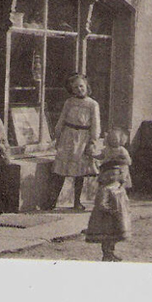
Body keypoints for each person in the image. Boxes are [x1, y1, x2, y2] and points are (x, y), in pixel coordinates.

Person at [46, 73, 101, 211]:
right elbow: (62, 119)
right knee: (60, 170)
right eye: (75, 88)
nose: (79, 89)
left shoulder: (92, 104)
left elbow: (96, 124)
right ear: (72, 90)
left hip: (82, 138)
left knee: (79, 172)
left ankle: (77, 201)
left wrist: (93, 141)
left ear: (86, 86)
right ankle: (53, 201)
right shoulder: (69, 102)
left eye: (81, 86)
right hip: (68, 137)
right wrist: (57, 135)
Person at [85, 162, 131, 261]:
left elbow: (125, 200)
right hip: (107, 217)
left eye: (115, 174)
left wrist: (126, 209)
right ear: (105, 176)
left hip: (118, 216)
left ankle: (111, 252)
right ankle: (106, 253)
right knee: (107, 236)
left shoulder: (119, 187)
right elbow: (101, 203)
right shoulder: (105, 189)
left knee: (115, 236)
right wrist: (109, 210)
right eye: (110, 174)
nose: (113, 177)